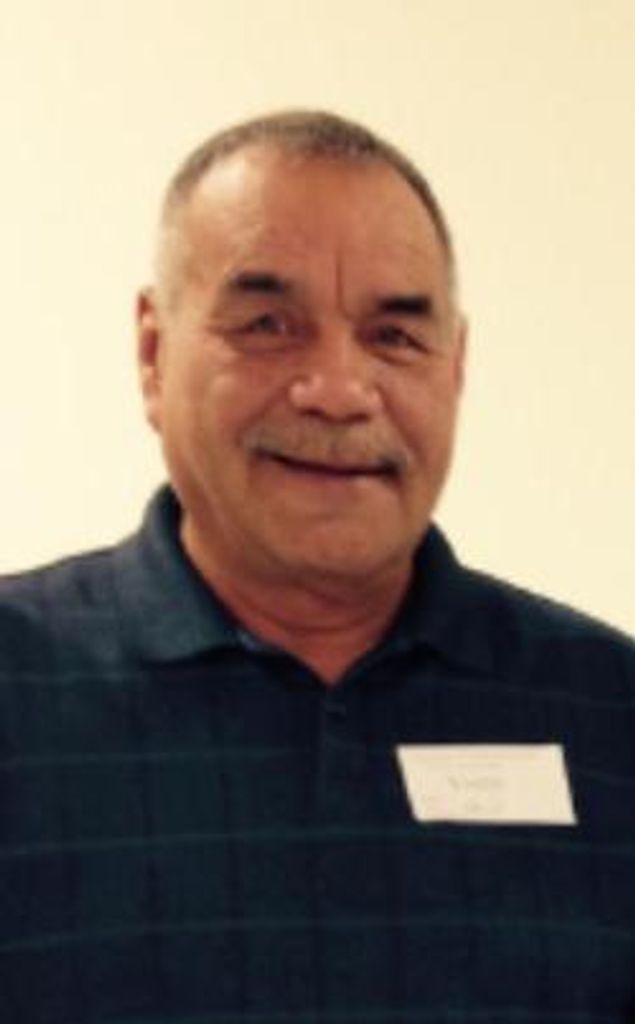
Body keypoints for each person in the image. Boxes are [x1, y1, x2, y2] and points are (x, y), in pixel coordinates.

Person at [1, 110, 634, 1023]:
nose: (338, 391)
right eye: (268, 325)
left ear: (455, 369)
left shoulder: (609, 710)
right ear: (152, 351)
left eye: (394, 337)